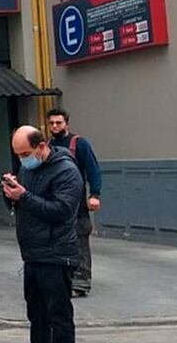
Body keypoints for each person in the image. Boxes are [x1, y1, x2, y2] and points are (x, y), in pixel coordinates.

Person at [3, 126, 83, 343]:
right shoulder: (28, 169)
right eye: (18, 155)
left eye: (25, 154)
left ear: (41, 146)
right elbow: (24, 204)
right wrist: (11, 194)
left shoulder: (66, 170)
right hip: (33, 253)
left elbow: (62, 211)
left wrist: (24, 196)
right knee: (37, 316)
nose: (22, 160)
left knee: (58, 316)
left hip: (56, 253)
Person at [46, 108, 102, 297]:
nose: (55, 126)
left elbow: (93, 169)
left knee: (80, 239)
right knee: (57, 241)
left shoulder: (79, 144)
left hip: (77, 205)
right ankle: (63, 279)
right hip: (55, 203)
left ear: (66, 124)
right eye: (52, 123)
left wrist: (95, 194)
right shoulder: (46, 146)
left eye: (58, 123)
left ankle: (81, 282)